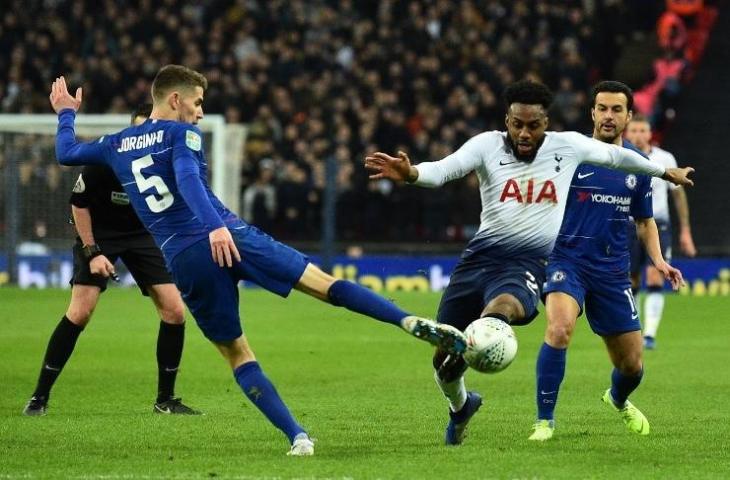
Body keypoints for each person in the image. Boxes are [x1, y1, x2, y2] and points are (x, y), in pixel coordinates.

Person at [49, 66, 466, 456]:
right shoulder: (182, 136)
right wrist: (215, 226)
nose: (200, 113)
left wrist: (67, 114)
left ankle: (298, 436)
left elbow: (67, 152)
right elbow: (190, 181)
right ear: (175, 100)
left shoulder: (117, 143)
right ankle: (407, 322)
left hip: (183, 256)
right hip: (229, 234)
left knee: (238, 353)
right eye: (197, 104)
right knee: (323, 285)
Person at [364, 79, 694, 447]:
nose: (524, 133)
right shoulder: (486, 146)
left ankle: (492, 330)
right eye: (517, 124)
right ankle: (461, 406)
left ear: (546, 123)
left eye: (533, 125)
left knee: (506, 307)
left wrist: (665, 173)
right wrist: (411, 174)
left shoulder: (566, 147)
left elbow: (619, 157)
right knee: (444, 360)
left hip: (531, 261)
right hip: (478, 259)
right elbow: (444, 170)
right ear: (506, 120)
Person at [529, 81, 684, 442]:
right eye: (602, 108)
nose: (608, 116)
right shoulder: (570, 156)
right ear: (593, 113)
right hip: (566, 260)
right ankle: (544, 421)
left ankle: (617, 398)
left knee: (632, 366)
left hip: (612, 270)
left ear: (629, 116)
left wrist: (659, 261)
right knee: (559, 329)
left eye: (617, 110)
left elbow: (645, 222)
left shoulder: (639, 165)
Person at [23, 104, 199, 417]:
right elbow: (79, 205)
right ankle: (39, 397)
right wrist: (92, 251)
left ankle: (166, 400)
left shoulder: (169, 161)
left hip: (141, 235)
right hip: (99, 233)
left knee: (174, 310)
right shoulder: (109, 156)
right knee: (80, 312)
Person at [624, 114, 697, 350]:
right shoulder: (621, 157)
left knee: (655, 275)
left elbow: (678, 195)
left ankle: (650, 335)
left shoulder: (664, 158)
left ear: (649, 133)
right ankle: (633, 330)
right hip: (627, 225)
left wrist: (685, 230)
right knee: (630, 279)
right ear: (627, 132)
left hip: (660, 224)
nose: (638, 135)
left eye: (642, 130)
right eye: (633, 130)